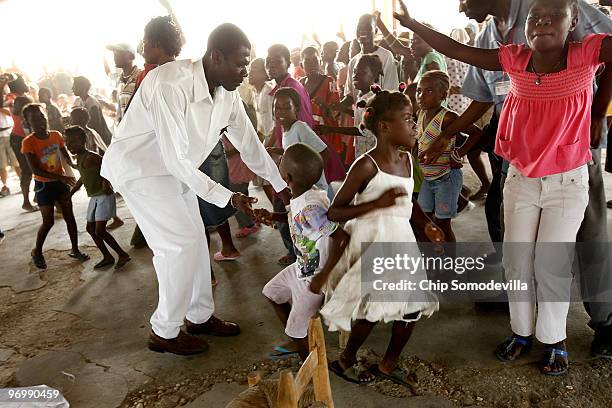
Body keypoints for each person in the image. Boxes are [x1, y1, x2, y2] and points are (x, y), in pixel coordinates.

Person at [394, 0, 612, 375]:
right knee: (516, 259)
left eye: (553, 17)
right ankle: (521, 332)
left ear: (573, 21)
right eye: (535, 19)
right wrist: (415, 25)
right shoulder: (513, 58)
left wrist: (598, 111)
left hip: (567, 181)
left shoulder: (585, 54)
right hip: (520, 179)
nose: (542, 21)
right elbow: (458, 50)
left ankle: (554, 339)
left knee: (551, 264)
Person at [101, 23, 288, 355]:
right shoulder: (170, 84)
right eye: (240, 63)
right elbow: (175, 160)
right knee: (179, 247)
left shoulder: (227, 93)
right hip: (142, 171)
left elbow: (249, 144)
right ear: (216, 56)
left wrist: (279, 185)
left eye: (247, 64)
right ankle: (164, 331)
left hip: (178, 173)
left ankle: (199, 317)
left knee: (197, 240)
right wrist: (230, 196)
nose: (245, 72)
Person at [319, 87, 441, 384]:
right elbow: (335, 212)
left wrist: (425, 224)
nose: (414, 125)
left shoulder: (407, 161)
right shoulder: (366, 166)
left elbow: (406, 205)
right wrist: (376, 204)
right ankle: (345, 359)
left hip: (401, 241)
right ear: (385, 127)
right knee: (371, 309)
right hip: (374, 242)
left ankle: (388, 364)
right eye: (409, 119)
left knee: (411, 306)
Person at [257, 143, 349, 360]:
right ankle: (299, 337)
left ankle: (309, 364)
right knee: (272, 293)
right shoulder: (305, 197)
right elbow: (299, 219)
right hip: (302, 267)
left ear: (287, 177)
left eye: (281, 162)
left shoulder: (311, 208)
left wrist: (324, 276)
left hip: (314, 278)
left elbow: (341, 238)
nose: (278, 163)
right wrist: (274, 217)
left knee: (296, 327)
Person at [21, 104, 89, 269]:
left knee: (69, 217)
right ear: (28, 123)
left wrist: (74, 165)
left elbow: (64, 153)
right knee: (48, 221)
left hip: (60, 183)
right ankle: (37, 251)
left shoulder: (56, 135)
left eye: (42, 118)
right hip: (44, 186)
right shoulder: (28, 142)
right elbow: (35, 169)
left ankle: (74, 249)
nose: (41, 122)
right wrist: (62, 177)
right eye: (35, 120)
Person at [416, 71, 481, 244]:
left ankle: (450, 265)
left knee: (443, 223)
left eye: (428, 91)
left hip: (446, 179)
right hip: (428, 179)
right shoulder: (421, 114)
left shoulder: (447, 117)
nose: (421, 96)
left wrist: (458, 153)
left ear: (444, 95)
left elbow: (476, 133)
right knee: (424, 219)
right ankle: (433, 259)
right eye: (419, 91)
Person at [66, 126, 130, 270]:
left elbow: (109, 166)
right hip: (94, 197)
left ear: (83, 140)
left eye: (73, 142)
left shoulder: (91, 156)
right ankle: (107, 256)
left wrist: (106, 182)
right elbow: (83, 177)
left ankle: (122, 254)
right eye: (67, 142)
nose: (69, 146)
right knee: (90, 228)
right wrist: (72, 192)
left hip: (104, 196)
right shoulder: (80, 158)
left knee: (100, 230)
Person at [268, 88, 333, 198]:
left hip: (315, 192)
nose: (281, 111)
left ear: (297, 110)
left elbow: (325, 153)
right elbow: (297, 153)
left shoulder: (300, 128)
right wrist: (279, 152)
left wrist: (308, 181)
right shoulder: (286, 131)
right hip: (301, 192)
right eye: (277, 107)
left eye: (287, 107)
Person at [318, 54, 383, 158]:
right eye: (355, 71)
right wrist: (344, 110)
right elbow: (363, 117)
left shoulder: (373, 99)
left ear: (374, 76)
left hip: (372, 153)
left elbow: (361, 129)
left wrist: (331, 129)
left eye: (362, 73)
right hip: (363, 149)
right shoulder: (362, 95)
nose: (356, 76)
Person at [300, 46, 343, 156]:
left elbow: (336, 113)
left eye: (315, 61)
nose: (312, 65)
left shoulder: (329, 82)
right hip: (305, 134)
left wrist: (324, 106)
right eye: (307, 62)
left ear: (320, 62)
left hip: (323, 133)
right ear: (301, 65)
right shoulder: (300, 84)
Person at [344, 14, 399, 100]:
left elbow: (390, 91)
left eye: (368, 28)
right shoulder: (353, 61)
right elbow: (350, 94)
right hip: (360, 112)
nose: (362, 31)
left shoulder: (386, 56)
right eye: (359, 28)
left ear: (376, 31)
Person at [72, 76, 113, 145]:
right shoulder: (82, 101)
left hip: (102, 139)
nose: (72, 89)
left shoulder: (92, 103)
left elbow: (94, 124)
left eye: (74, 86)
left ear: (83, 88)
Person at [106, 43, 141, 122]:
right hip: (126, 131)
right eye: (114, 54)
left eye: (118, 54)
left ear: (130, 56)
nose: (114, 58)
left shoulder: (140, 77)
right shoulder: (119, 81)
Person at [0, 81, 19, 197]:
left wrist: (2, 105)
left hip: (9, 132)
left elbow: (10, 113)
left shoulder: (9, 99)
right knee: (1, 164)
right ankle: (5, 185)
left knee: (16, 160)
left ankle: (23, 181)